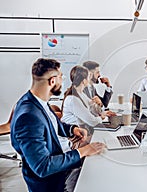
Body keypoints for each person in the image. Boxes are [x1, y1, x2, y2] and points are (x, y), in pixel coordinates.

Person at [10, 58, 106, 192]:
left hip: (59, 170)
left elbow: (53, 124)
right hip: (50, 184)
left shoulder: (38, 101)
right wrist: (83, 151)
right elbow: (43, 166)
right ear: (52, 81)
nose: (63, 81)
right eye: (61, 77)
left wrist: (73, 129)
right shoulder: (28, 116)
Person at [61, 65, 115, 135]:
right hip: (75, 136)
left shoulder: (80, 94)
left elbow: (93, 109)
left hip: (83, 131)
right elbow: (92, 121)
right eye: (88, 77)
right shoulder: (73, 99)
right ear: (84, 81)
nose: (90, 79)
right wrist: (101, 117)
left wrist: (102, 111)